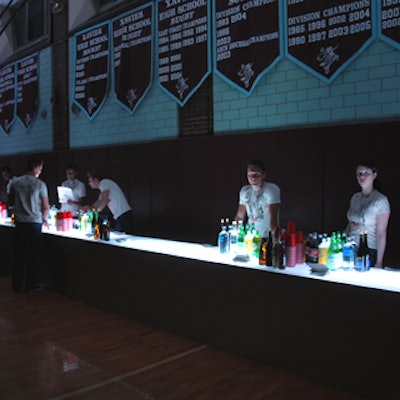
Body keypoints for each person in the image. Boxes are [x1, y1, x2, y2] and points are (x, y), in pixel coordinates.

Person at [8, 157, 50, 292]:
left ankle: (17, 284)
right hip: (34, 223)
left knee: (19, 255)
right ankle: (31, 284)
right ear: (37, 168)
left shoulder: (15, 182)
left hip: (20, 222)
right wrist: (44, 219)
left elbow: (10, 201)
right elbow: (45, 207)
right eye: (41, 169)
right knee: (33, 255)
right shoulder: (40, 184)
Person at [346, 162, 390, 268]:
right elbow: (349, 224)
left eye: (366, 173)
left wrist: (379, 262)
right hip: (350, 247)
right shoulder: (355, 198)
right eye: (359, 174)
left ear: (374, 175)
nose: (362, 176)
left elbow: (381, 233)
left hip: (368, 248)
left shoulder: (380, 200)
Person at [234, 159, 281, 238]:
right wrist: (235, 234)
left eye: (256, 174)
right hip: (251, 236)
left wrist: (274, 238)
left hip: (267, 236)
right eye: (250, 174)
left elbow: (273, 216)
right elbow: (239, 216)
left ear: (263, 175)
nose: (252, 177)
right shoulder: (244, 191)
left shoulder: (271, 189)